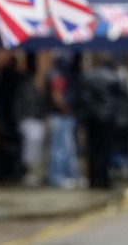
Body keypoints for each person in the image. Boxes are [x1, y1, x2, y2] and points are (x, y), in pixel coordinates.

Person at [78, 55, 126, 190]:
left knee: (93, 149)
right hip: (108, 119)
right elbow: (121, 98)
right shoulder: (113, 77)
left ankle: (93, 179)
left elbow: (83, 98)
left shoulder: (89, 76)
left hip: (92, 119)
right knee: (106, 150)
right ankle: (104, 179)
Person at [45, 55, 79, 189]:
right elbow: (57, 97)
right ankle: (58, 177)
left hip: (58, 116)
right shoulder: (57, 75)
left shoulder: (54, 73)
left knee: (61, 147)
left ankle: (61, 176)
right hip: (60, 116)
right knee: (60, 148)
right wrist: (67, 109)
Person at [13, 53, 47, 186]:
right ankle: (28, 172)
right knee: (31, 146)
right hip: (28, 120)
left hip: (31, 119)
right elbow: (23, 105)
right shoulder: (27, 86)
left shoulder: (31, 86)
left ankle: (31, 171)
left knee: (35, 146)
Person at [0, 53, 22, 182]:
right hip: (7, 118)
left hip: (4, 117)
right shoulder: (12, 80)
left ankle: (4, 172)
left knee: (4, 148)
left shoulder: (1, 80)